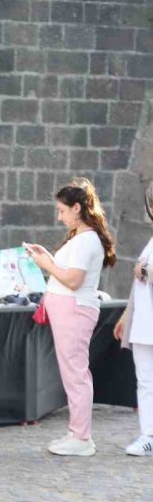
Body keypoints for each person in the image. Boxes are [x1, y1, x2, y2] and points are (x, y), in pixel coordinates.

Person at [26, 178, 116, 457]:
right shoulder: (81, 239)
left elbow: (73, 280)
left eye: (63, 210)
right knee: (72, 371)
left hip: (74, 309)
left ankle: (81, 437)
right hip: (70, 308)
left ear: (77, 208)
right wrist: (48, 258)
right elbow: (69, 273)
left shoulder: (86, 240)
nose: (60, 216)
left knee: (75, 373)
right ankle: (77, 432)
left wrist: (46, 263)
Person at [113, 183, 153, 457]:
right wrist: (127, 315)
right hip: (144, 320)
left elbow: (144, 273)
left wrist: (146, 270)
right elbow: (137, 283)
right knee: (145, 380)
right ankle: (148, 434)